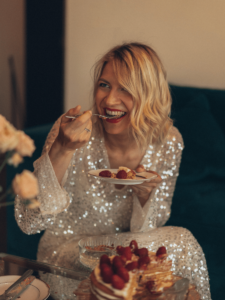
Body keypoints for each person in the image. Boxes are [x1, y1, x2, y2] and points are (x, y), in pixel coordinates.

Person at [15, 42, 211, 299]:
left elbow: (150, 228)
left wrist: (144, 197)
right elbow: (29, 223)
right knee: (182, 242)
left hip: (123, 253)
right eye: (104, 85)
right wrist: (61, 149)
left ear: (149, 95)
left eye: (125, 89)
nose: (109, 100)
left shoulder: (168, 141)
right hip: (65, 255)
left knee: (173, 261)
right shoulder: (69, 131)